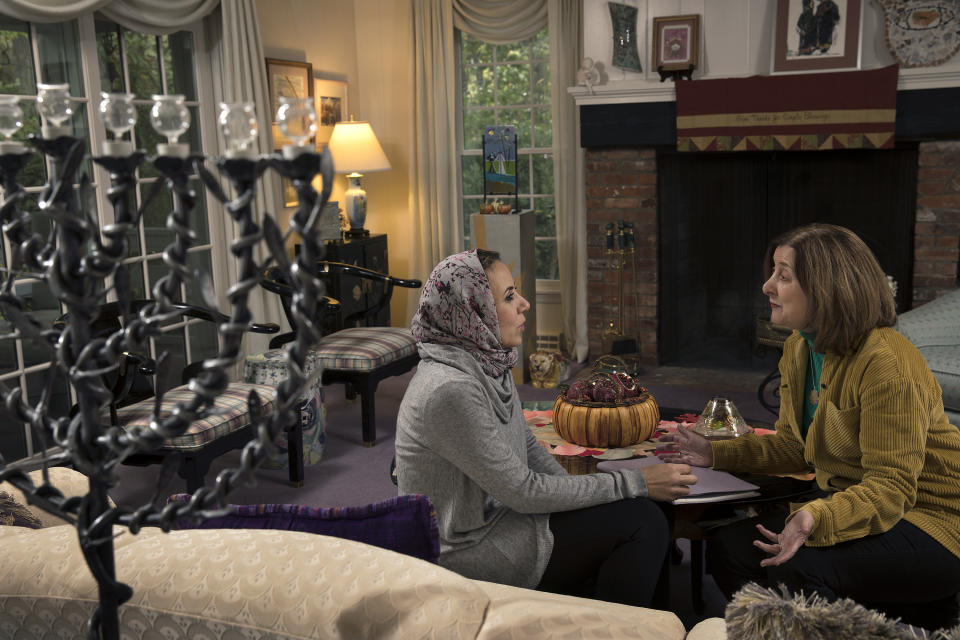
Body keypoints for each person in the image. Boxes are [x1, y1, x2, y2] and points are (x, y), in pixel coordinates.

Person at [659, 223, 960, 630]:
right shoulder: (802, 346)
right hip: (852, 504)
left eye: (783, 276)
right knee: (731, 546)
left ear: (828, 289)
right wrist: (715, 452)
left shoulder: (887, 364)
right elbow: (796, 447)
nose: (767, 286)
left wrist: (816, 517)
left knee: (797, 563)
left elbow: (892, 488)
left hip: (929, 523)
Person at [395, 248, 697, 607]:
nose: (524, 304)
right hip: (465, 553)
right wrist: (636, 481)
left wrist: (587, 501)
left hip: (501, 521)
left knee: (648, 508)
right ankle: (622, 627)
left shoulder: (485, 360)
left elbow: (528, 447)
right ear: (472, 311)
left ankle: (652, 624)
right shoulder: (450, 389)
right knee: (641, 519)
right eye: (509, 298)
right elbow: (522, 490)